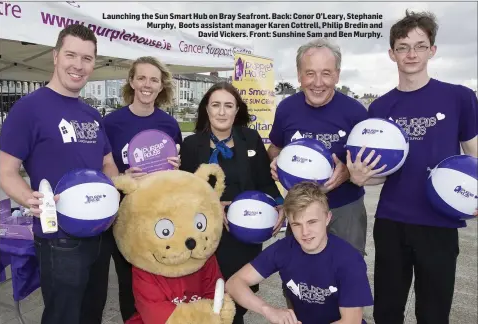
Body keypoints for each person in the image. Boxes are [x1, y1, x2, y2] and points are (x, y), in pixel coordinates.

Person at [346, 10, 478, 324]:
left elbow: (474, 154)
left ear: (432, 50)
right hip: (392, 222)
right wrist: (360, 176)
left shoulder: (459, 98)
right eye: (403, 47)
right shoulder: (379, 107)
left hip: (440, 222)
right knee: (387, 312)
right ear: (392, 54)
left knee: (433, 314)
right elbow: (379, 174)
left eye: (420, 45)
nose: (411, 53)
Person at [0, 24, 119, 324]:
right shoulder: (28, 109)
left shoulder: (92, 114)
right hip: (59, 239)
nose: (78, 65)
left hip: (100, 235)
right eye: (71, 55)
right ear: (55, 56)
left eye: (87, 59)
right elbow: (6, 170)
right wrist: (30, 199)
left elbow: (108, 162)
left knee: (92, 312)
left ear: (93, 63)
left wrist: (111, 189)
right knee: (64, 317)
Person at [179, 81, 283, 324]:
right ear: (207, 109)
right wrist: (214, 206)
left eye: (228, 105)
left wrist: (280, 206)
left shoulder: (251, 138)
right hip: (205, 235)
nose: (222, 111)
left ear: (237, 110)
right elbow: (184, 193)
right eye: (216, 105)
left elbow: (264, 181)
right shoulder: (191, 145)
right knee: (207, 299)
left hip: (243, 234)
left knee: (235, 300)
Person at [268, 38, 369, 256]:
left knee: (347, 272)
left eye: (326, 73)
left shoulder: (356, 113)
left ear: (337, 75)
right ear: (299, 75)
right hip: (299, 209)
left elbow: (369, 166)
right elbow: (274, 148)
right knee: (300, 274)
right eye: (310, 73)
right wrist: (276, 162)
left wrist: (348, 173)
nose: (318, 82)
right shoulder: (286, 108)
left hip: (344, 208)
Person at [225, 181, 374, 324]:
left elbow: (350, 321)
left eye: (312, 222)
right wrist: (268, 310)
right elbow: (234, 283)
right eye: (296, 224)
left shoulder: (349, 260)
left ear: (327, 218)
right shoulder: (283, 249)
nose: (305, 233)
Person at [103, 56, 182, 322]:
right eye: (142, 78)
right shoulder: (112, 124)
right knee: (128, 284)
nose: (147, 85)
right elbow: (103, 169)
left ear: (161, 86)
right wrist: (123, 176)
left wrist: (177, 166)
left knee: (160, 282)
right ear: (132, 82)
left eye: (154, 80)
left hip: (161, 216)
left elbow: (176, 175)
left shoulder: (169, 125)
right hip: (126, 216)